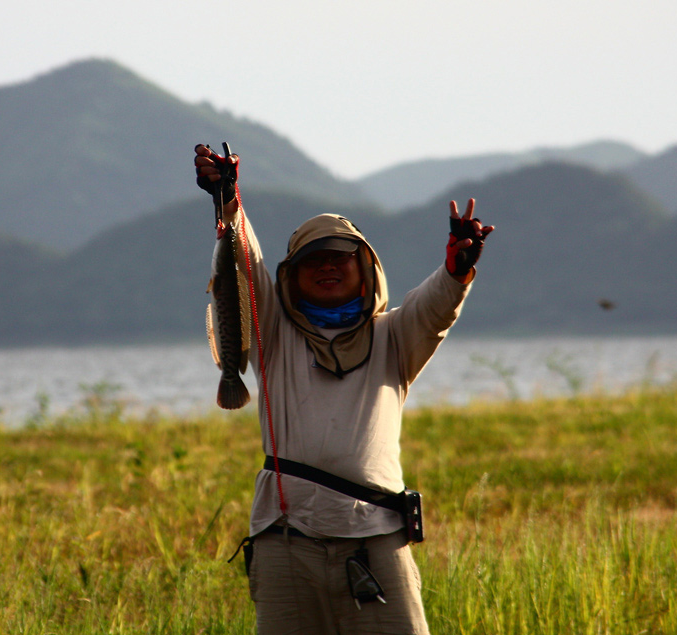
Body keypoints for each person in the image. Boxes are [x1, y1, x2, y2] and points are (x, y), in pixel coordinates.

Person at [194, 143, 494, 635]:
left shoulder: (395, 335)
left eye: (340, 258)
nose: (328, 266)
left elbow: (436, 307)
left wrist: (457, 270)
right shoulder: (273, 332)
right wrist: (229, 201)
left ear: (364, 270)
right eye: (313, 261)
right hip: (284, 540)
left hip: (377, 538)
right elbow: (243, 266)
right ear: (292, 276)